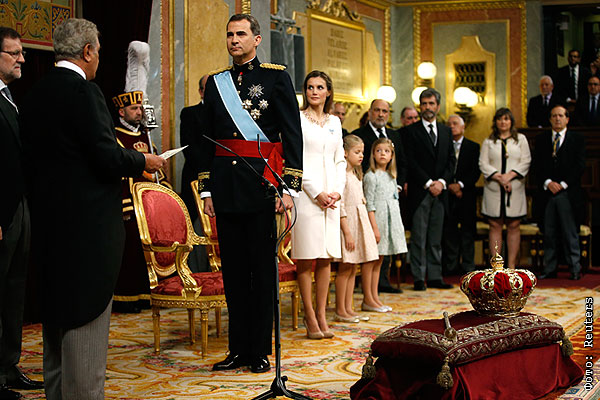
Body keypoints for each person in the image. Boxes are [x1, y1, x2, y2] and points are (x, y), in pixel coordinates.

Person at [20, 18, 166, 399]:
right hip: (87, 238)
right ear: (87, 51)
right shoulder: (85, 92)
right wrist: (143, 161)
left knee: (55, 334)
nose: (98, 59)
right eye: (98, 52)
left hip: (47, 231)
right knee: (85, 342)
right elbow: (105, 156)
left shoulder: (32, 94)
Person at [198, 14, 303, 372]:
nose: (234, 40)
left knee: (260, 271)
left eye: (241, 34)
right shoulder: (217, 82)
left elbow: (291, 133)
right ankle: (237, 349)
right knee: (234, 273)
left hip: (261, 185)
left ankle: (259, 350)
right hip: (226, 188)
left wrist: (288, 186)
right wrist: (207, 190)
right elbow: (207, 139)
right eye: (230, 34)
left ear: (257, 39)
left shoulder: (276, 77)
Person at [0, 26, 44, 400]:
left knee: (14, 290)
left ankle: (8, 366)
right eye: (14, 53)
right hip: (1, 211)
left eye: (22, 52)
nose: (22, 59)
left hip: (19, 205)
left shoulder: (9, 95)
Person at [291, 70, 345, 339]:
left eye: (320, 87)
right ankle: (309, 316)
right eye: (310, 87)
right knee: (306, 256)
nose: (314, 91)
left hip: (331, 199)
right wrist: (316, 192)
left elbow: (340, 160)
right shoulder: (298, 119)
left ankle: (322, 314)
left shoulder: (335, 121)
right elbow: (295, 160)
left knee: (326, 257)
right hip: (306, 196)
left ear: (328, 92)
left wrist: (337, 192)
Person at [112, 88, 171, 314]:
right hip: (130, 205)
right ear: (121, 111)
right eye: (133, 108)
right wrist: (126, 204)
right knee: (130, 252)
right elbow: (117, 172)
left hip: (151, 206)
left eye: (140, 108)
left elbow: (157, 172)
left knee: (151, 251)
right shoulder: (116, 136)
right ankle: (126, 298)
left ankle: (149, 295)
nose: (139, 112)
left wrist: (165, 193)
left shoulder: (146, 135)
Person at [351, 99, 407, 294]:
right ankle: (370, 292)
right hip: (369, 199)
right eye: (377, 110)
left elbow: (403, 162)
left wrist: (396, 186)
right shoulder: (359, 134)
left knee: (384, 251)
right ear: (370, 112)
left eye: (385, 111)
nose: (381, 114)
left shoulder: (395, 135)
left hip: (390, 198)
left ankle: (381, 285)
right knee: (373, 254)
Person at [404, 88, 455, 291]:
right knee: (419, 237)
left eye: (431, 103)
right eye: (424, 104)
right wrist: (428, 183)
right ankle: (418, 277)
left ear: (438, 106)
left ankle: (434, 276)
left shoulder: (446, 131)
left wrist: (441, 182)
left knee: (435, 238)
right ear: (420, 106)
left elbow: (451, 161)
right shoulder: (410, 131)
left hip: (440, 192)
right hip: (420, 191)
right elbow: (410, 161)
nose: (427, 107)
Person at [535, 105, 585, 280]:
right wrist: (548, 182)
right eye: (554, 116)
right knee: (549, 233)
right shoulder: (541, 140)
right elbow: (537, 166)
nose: (557, 118)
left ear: (567, 119)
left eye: (561, 115)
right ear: (550, 119)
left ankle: (575, 268)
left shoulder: (577, 139)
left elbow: (580, 166)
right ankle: (550, 268)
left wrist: (562, 184)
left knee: (569, 232)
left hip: (568, 193)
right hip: (547, 193)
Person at [479, 108, 531, 269]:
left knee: (513, 225)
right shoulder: (489, 141)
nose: (503, 122)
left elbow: (526, 161)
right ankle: (497, 267)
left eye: (506, 119)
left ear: (511, 122)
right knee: (495, 225)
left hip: (514, 188)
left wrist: (509, 176)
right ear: (495, 122)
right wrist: (500, 178)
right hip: (494, 188)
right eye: (500, 119)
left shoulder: (520, 139)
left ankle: (512, 266)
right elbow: (483, 163)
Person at [334, 135, 376, 323]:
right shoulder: (341, 175)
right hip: (348, 224)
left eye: (362, 152)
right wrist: (347, 232)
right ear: (345, 152)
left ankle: (348, 308)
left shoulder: (356, 174)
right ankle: (340, 309)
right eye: (357, 152)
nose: (361, 156)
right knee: (345, 268)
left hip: (359, 222)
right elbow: (340, 205)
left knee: (353, 268)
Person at [363, 138, 408, 311]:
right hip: (377, 222)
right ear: (373, 154)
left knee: (379, 261)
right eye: (379, 150)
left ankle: (374, 297)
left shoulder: (391, 176)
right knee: (371, 261)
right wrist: (374, 228)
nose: (383, 154)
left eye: (386, 151)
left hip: (389, 222)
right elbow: (369, 204)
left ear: (391, 156)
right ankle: (368, 298)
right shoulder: (371, 176)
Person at [442, 115, 480, 275]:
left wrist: (460, 185)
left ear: (463, 127)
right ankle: (451, 266)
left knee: (467, 232)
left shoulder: (473, 147)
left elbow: (476, 171)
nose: (452, 126)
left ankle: (468, 266)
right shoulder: (443, 146)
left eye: (455, 123)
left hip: (466, 194)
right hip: (447, 193)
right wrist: (449, 185)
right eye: (449, 124)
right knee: (449, 232)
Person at [180, 74, 209, 223]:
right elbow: (189, 148)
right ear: (201, 92)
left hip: (222, 178)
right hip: (195, 175)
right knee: (189, 222)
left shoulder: (226, 114)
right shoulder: (190, 113)